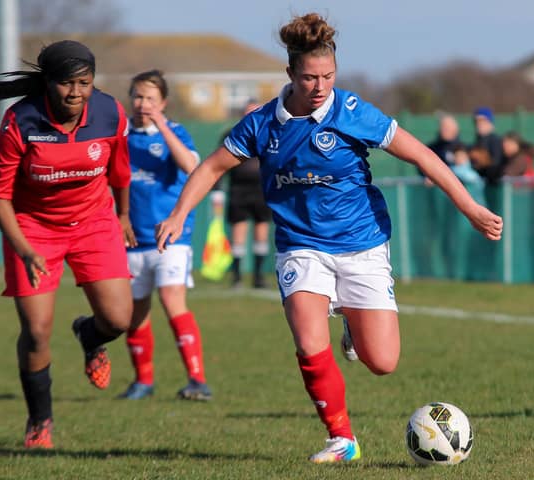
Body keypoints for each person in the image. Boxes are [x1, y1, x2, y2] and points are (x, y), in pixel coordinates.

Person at [155, 13, 503, 464]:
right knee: (306, 339)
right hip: (301, 245)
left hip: (362, 244)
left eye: (328, 76)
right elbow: (211, 167)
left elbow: (421, 153)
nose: (320, 86)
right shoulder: (263, 123)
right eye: (310, 77)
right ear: (290, 74)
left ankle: (349, 323)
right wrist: (180, 213)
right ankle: (342, 438)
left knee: (382, 362)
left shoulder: (352, 113)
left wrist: (470, 207)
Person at [0, 40, 133, 449]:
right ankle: (39, 421)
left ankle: (90, 335)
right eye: (66, 83)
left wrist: (122, 215)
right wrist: (24, 247)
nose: (76, 92)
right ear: (48, 84)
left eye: (84, 82)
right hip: (33, 229)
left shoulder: (110, 112)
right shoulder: (21, 120)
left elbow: (119, 170)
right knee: (36, 331)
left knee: (119, 319)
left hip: (94, 221)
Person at [119, 70, 212, 401]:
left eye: (151, 99)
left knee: (172, 299)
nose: (143, 104)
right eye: (138, 96)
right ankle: (143, 381)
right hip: (130, 239)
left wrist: (161, 125)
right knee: (134, 312)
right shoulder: (121, 134)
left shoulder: (175, 132)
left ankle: (197, 379)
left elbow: (191, 167)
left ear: (163, 103)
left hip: (170, 238)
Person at [213, 100, 272, 288]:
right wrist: (218, 192)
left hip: (262, 190)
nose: (251, 116)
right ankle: (237, 276)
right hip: (238, 190)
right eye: (248, 112)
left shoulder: (271, 134)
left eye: (255, 112)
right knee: (238, 233)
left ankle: (258, 276)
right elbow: (217, 165)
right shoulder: (231, 134)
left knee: (261, 232)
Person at [419, 114, 461, 185]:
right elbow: (421, 165)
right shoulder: (431, 148)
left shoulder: (462, 148)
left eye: (447, 127)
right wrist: (428, 175)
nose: (444, 129)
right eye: (443, 126)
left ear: (455, 130)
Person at [469, 106, 503, 181]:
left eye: (482, 120)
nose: (478, 123)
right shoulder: (477, 141)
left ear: (490, 121)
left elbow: (496, 163)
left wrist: (482, 161)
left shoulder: (495, 140)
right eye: (476, 121)